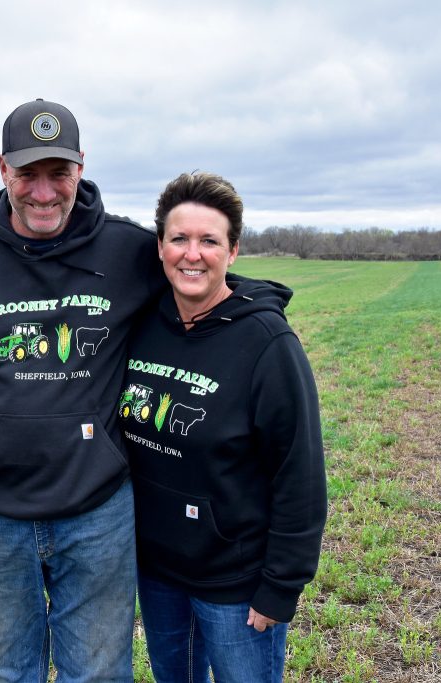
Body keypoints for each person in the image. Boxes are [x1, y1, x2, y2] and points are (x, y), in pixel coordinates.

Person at [0, 99, 166, 682]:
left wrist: (261, 309)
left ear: (81, 168)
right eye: (28, 174)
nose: (43, 193)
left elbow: (203, 283)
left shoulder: (130, 252)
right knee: (2, 672)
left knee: (97, 673)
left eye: (58, 173)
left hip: (98, 511)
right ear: (2, 171)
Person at [118, 171, 327, 682]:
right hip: (160, 570)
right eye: (179, 239)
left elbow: (299, 475)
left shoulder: (267, 343)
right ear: (161, 248)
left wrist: (281, 585)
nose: (193, 253)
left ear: (232, 251)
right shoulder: (143, 325)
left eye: (209, 240)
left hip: (235, 581)